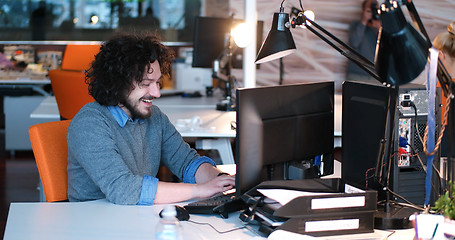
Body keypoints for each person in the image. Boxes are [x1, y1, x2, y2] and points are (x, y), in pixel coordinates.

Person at [67, 33, 235, 205]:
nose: (157, 93)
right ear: (117, 83)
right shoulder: (89, 124)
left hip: (136, 217)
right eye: (146, 84)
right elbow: (124, 189)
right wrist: (200, 190)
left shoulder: (155, 118)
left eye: (157, 83)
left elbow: (187, 163)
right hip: (92, 222)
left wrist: (221, 181)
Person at [345, 0, 381, 82]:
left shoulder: (382, 28)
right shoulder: (355, 25)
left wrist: (380, 28)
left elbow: (388, 48)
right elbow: (354, 43)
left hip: (375, 76)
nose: (372, 13)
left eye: (375, 10)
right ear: (363, 11)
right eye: (369, 10)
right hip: (356, 74)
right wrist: (364, 21)